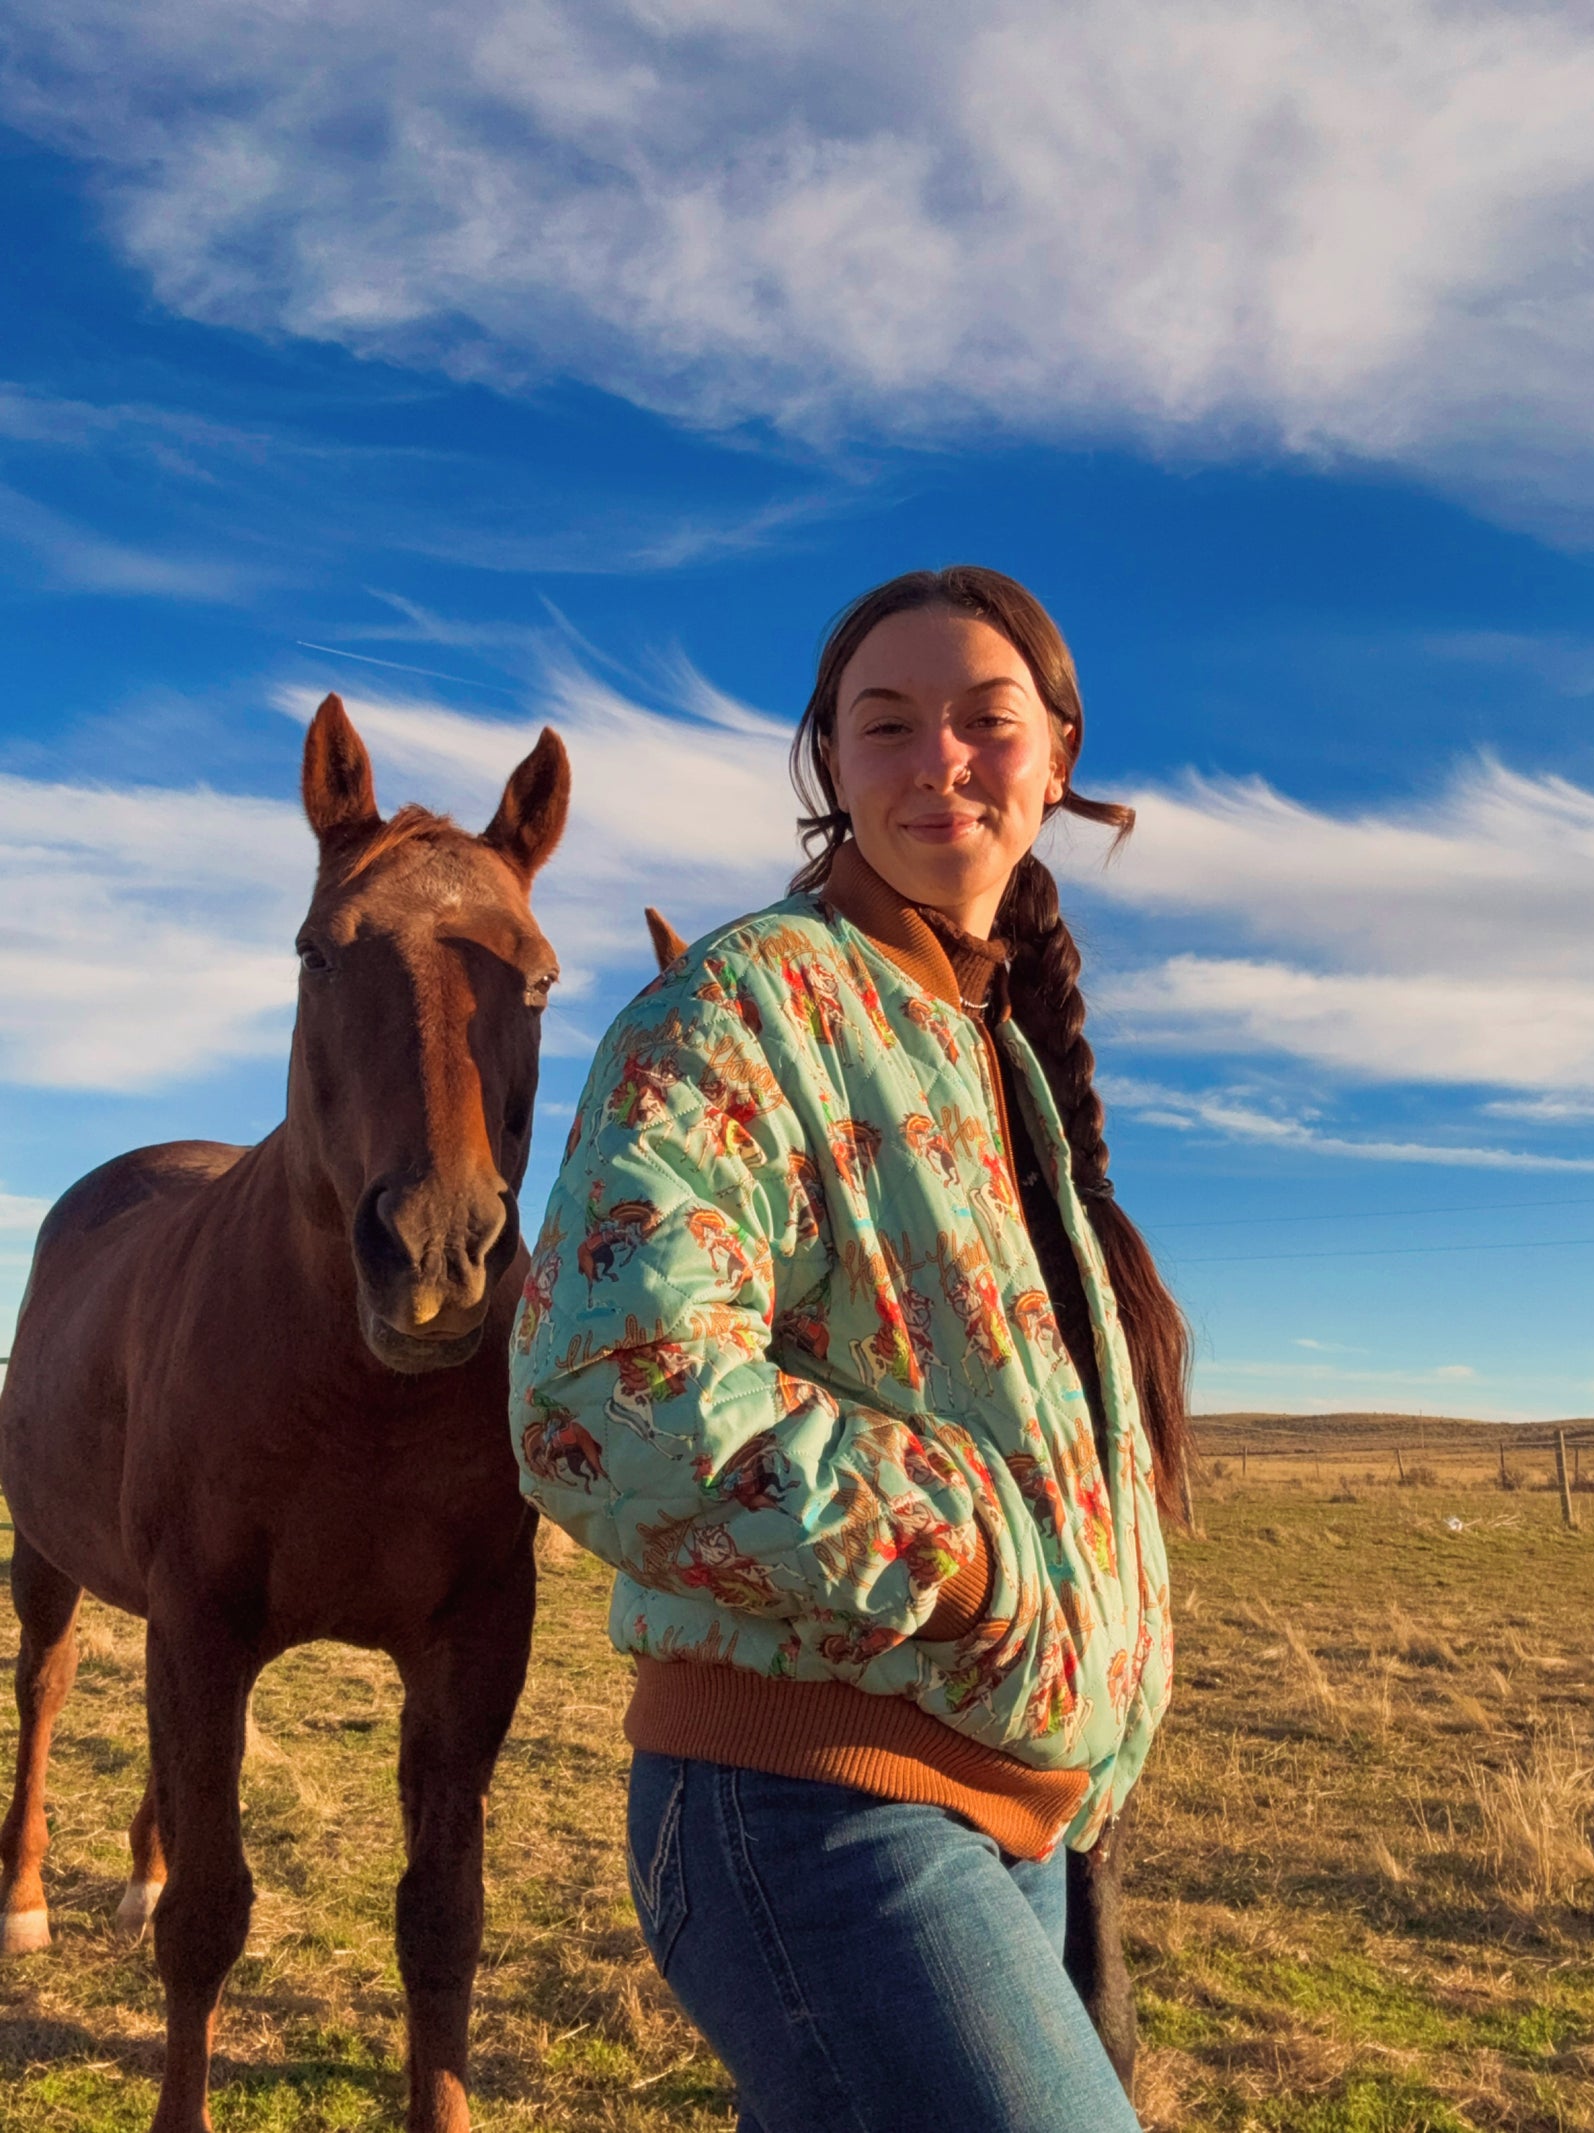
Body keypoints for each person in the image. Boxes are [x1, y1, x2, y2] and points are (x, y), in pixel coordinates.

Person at [509, 567, 1189, 2133]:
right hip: (817, 1803)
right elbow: (603, 1387)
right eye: (885, 726)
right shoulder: (744, 1007)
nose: (936, 758)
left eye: (982, 719)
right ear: (831, 767)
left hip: (1008, 1816)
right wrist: (964, 1562)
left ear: (1058, 754)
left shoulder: (987, 1048)